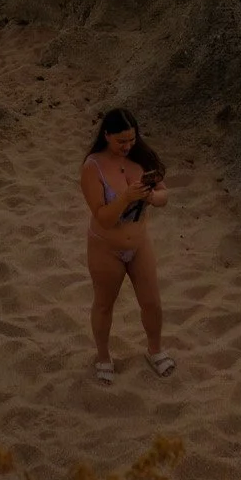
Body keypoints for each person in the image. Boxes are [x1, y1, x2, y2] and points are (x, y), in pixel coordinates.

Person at [80, 107, 172, 384]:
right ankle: (103, 355)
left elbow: (164, 193)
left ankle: (155, 349)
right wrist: (126, 197)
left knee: (152, 302)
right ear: (106, 136)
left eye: (131, 139)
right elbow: (104, 217)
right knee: (105, 304)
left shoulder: (141, 158)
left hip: (140, 243)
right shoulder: (92, 167)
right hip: (105, 247)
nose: (127, 145)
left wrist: (152, 198)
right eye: (121, 141)